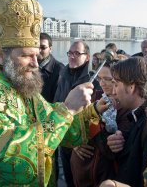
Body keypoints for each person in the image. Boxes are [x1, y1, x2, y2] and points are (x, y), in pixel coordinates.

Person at [0, 0, 108, 186]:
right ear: (1, 55)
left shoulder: (20, 81)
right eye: (27, 56)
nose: (36, 64)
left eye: (37, 55)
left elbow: (54, 124)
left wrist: (92, 111)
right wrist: (67, 109)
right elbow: (11, 161)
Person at [70, 60, 132, 187]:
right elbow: (70, 124)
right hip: (81, 168)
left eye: (108, 79)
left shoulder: (126, 107)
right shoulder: (93, 97)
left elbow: (112, 149)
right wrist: (74, 142)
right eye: (100, 78)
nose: (102, 83)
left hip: (105, 172)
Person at [53, 41, 101, 187]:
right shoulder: (63, 74)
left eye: (77, 53)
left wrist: (77, 141)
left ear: (87, 57)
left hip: (82, 145)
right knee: (67, 179)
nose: (72, 57)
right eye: (70, 53)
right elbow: (57, 103)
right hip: (63, 138)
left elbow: (95, 116)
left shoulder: (93, 82)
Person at [104, 57, 147, 187]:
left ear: (131, 87)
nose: (113, 92)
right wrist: (120, 143)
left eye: (116, 84)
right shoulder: (139, 117)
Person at [38, 32, 64, 103]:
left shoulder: (59, 70)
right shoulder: (29, 66)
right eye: (36, 47)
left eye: (43, 47)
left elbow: (58, 100)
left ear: (50, 49)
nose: (39, 50)